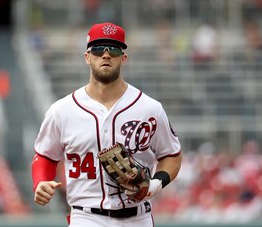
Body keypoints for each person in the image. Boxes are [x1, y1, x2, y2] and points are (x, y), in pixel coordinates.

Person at [32, 22, 182, 227]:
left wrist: (156, 184)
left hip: (138, 218)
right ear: (87, 57)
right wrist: (40, 181)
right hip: (86, 217)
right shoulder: (62, 110)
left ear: (124, 58)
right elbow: (45, 156)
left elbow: (171, 155)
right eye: (97, 48)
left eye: (113, 48)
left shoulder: (149, 109)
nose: (105, 54)